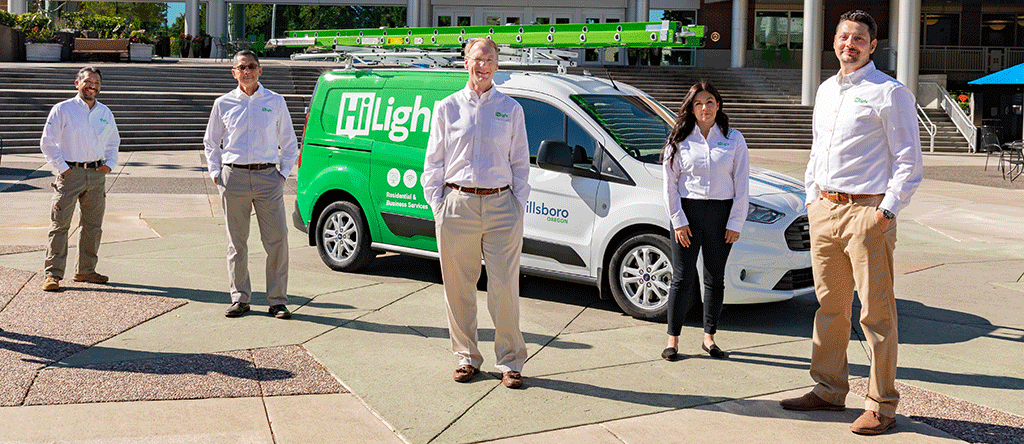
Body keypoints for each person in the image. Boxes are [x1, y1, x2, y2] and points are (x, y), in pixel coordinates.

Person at [779, 10, 923, 436]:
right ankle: (827, 389)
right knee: (830, 307)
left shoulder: (889, 93)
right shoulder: (825, 90)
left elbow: (909, 161)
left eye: (858, 38)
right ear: (835, 40)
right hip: (824, 210)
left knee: (876, 314)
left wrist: (885, 212)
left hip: (867, 214)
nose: (849, 44)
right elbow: (816, 152)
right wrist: (811, 201)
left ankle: (882, 404)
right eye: (843, 37)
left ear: (873, 45)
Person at [422, 37, 531, 389]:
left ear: (497, 65)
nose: (482, 65)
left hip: (502, 207)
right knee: (458, 287)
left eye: (488, 59)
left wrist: (517, 205)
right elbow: (434, 162)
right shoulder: (447, 108)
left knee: (504, 287)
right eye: (476, 59)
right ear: (465, 62)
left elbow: (520, 164)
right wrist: (439, 205)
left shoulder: (511, 109)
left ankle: (511, 361)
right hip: (457, 205)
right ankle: (467, 357)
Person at [204, 50, 298, 319]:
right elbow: (211, 142)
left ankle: (277, 300)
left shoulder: (275, 101)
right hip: (233, 178)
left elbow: (289, 144)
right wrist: (215, 173)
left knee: (277, 240)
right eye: (241, 67)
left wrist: (282, 175)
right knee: (237, 242)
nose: (247, 71)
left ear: (260, 70)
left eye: (252, 66)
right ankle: (240, 298)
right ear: (234, 72)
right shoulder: (223, 103)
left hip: (268, 178)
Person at [660, 81, 749, 362]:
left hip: (721, 217)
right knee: (682, 278)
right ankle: (673, 340)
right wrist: (677, 220)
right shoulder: (679, 140)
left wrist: (736, 222)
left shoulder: (734, 139)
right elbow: (670, 184)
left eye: (709, 102)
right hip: (687, 214)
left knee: (715, 279)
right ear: (691, 108)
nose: (704, 108)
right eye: (698, 103)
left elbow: (742, 184)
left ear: (718, 105)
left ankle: (709, 337)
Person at [39, 66, 120, 292]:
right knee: (60, 225)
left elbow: (113, 142)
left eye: (96, 82)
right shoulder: (63, 109)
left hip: (96, 175)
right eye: (88, 81)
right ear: (77, 83)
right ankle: (53, 274)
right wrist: (63, 169)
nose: (92, 85)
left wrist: (108, 166)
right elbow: (47, 142)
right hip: (70, 174)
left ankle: (86, 270)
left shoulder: (105, 113)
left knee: (93, 226)